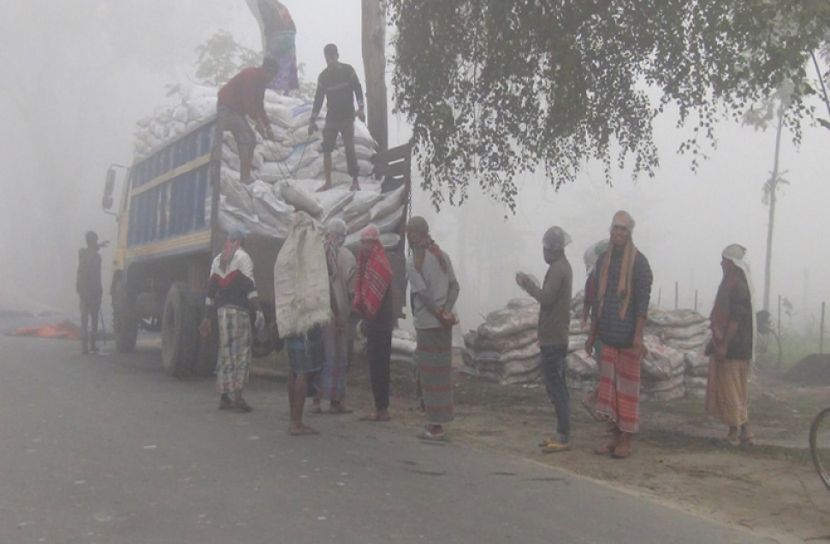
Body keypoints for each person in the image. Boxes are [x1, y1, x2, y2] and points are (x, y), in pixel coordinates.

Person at [585, 211, 653, 459]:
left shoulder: (639, 263)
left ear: (630, 232)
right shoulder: (604, 260)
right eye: (615, 228)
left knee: (626, 392)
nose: (619, 233)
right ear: (610, 230)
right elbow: (597, 301)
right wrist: (592, 335)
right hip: (608, 334)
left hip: (628, 338)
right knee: (609, 391)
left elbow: (642, 303)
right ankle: (613, 437)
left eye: (623, 229)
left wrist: (638, 336)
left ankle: (626, 439)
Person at [516, 226, 574, 453]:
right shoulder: (561, 268)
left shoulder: (559, 269)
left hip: (554, 337)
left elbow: (547, 298)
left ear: (551, 249)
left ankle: (563, 434)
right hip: (554, 335)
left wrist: (527, 285)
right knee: (556, 386)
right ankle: (561, 430)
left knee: (556, 386)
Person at [406, 217, 460, 441]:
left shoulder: (414, 262)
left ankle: (434, 425)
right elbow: (455, 287)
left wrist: (438, 313)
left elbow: (423, 295)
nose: (409, 239)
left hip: (428, 325)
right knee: (441, 374)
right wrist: (446, 312)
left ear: (416, 235)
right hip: (443, 326)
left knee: (430, 376)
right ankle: (439, 419)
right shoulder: (442, 257)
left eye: (410, 235)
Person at [200, 228, 263, 413]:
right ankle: (238, 397)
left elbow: (210, 293)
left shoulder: (217, 259)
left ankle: (224, 396)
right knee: (241, 353)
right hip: (239, 313)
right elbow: (250, 288)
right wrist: (258, 311)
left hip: (222, 313)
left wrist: (207, 317)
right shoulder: (243, 257)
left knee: (226, 352)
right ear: (241, 241)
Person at [705, 244, 755, 447]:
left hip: (735, 346)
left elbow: (734, 319)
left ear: (732, 264)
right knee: (737, 388)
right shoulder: (731, 283)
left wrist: (724, 344)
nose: (721, 264)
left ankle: (734, 431)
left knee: (731, 388)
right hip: (735, 344)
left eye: (724, 260)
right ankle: (746, 431)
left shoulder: (738, 286)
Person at [308, 44, 365, 192]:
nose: (330, 61)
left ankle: (355, 180)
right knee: (327, 148)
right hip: (332, 118)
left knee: (349, 148)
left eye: (332, 58)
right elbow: (318, 99)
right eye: (327, 59)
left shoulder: (348, 71)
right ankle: (328, 182)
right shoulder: (323, 77)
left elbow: (358, 89)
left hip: (347, 116)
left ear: (337, 56)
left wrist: (361, 108)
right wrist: (312, 119)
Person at [353, 224, 395, 422]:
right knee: (376, 365)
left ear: (375, 243)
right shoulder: (368, 263)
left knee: (380, 365)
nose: (364, 247)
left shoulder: (380, 264)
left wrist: (367, 312)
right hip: (375, 323)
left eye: (367, 243)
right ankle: (380, 406)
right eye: (362, 243)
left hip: (380, 323)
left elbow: (374, 298)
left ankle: (382, 408)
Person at [314, 218, 356, 414]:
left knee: (319, 355)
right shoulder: (347, 256)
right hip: (338, 312)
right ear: (343, 236)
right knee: (338, 356)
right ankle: (335, 401)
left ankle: (315, 399)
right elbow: (351, 289)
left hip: (318, 311)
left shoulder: (317, 252)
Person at [216, 58, 279, 184]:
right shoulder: (250, 75)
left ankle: (247, 174)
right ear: (268, 72)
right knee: (245, 136)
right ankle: (244, 177)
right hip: (226, 109)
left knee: (252, 138)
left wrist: (268, 126)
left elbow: (259, 105)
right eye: (272, 76)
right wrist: (258, 121)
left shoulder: (261, 84)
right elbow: (248, 101)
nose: (272, 80)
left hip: (237, 112)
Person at [245, 0, 299, 92]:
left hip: (277, 36)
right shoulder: (278, 5)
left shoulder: (262, 3)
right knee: (287, 66)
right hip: (289, 36)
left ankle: (274, 89)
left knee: (273, 65)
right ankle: (286, 90)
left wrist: (267, 42)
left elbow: (266, 24)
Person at [76, 231, 105, 354]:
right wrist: (99, 291)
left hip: (83, 291)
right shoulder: (97, 258)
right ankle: (92, 345)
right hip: (93, 292)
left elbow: (89, 252)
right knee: (93, 320)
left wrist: (98, 246)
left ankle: (84, 347)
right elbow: (96, 277)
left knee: (84, 320)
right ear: (94, 241)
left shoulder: (82, 254)